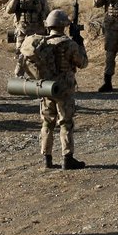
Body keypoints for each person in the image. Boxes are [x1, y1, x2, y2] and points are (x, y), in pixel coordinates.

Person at [32, 9, 89, 170]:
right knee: (65, 122)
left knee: (47, 123)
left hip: (46, 88)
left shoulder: (42, 43)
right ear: (64, 25)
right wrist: (80, 44)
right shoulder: (69, 44)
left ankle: (47, 159)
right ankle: (67, 158)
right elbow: (83, 63)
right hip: (64, 88)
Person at [6, 0, 49, 78]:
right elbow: (9, 10)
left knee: (39, 55)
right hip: (23, 31)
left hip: (38, 32)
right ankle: (19, 77)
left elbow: (47, 14)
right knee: (21, 55)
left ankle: (37, 77)